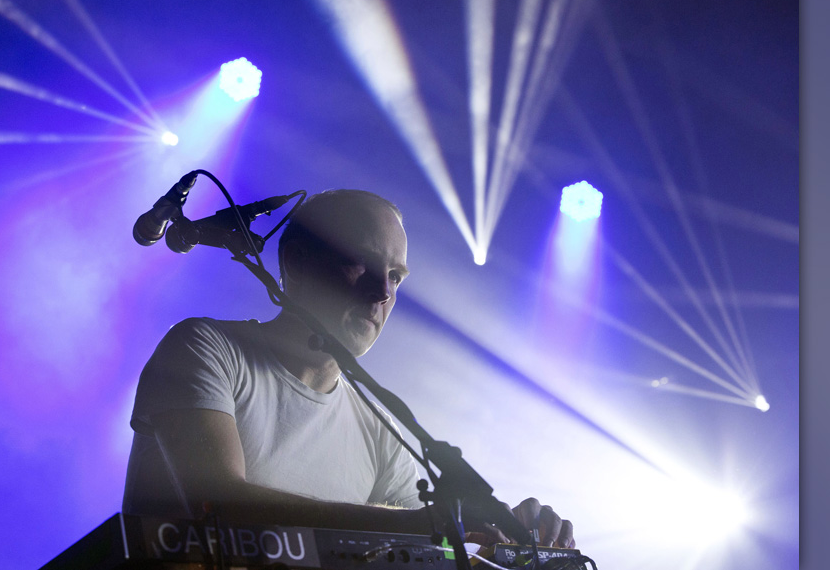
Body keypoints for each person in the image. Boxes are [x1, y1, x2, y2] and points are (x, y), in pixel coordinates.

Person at [123, 189, 574, 549]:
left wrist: (515, 550)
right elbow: (217, 503)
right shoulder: (206, 347)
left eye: (396, 276)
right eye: (363, 262)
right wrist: (436, 524)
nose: (382, 292)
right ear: (297, 262)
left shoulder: (382, 429)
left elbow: (429, 551)